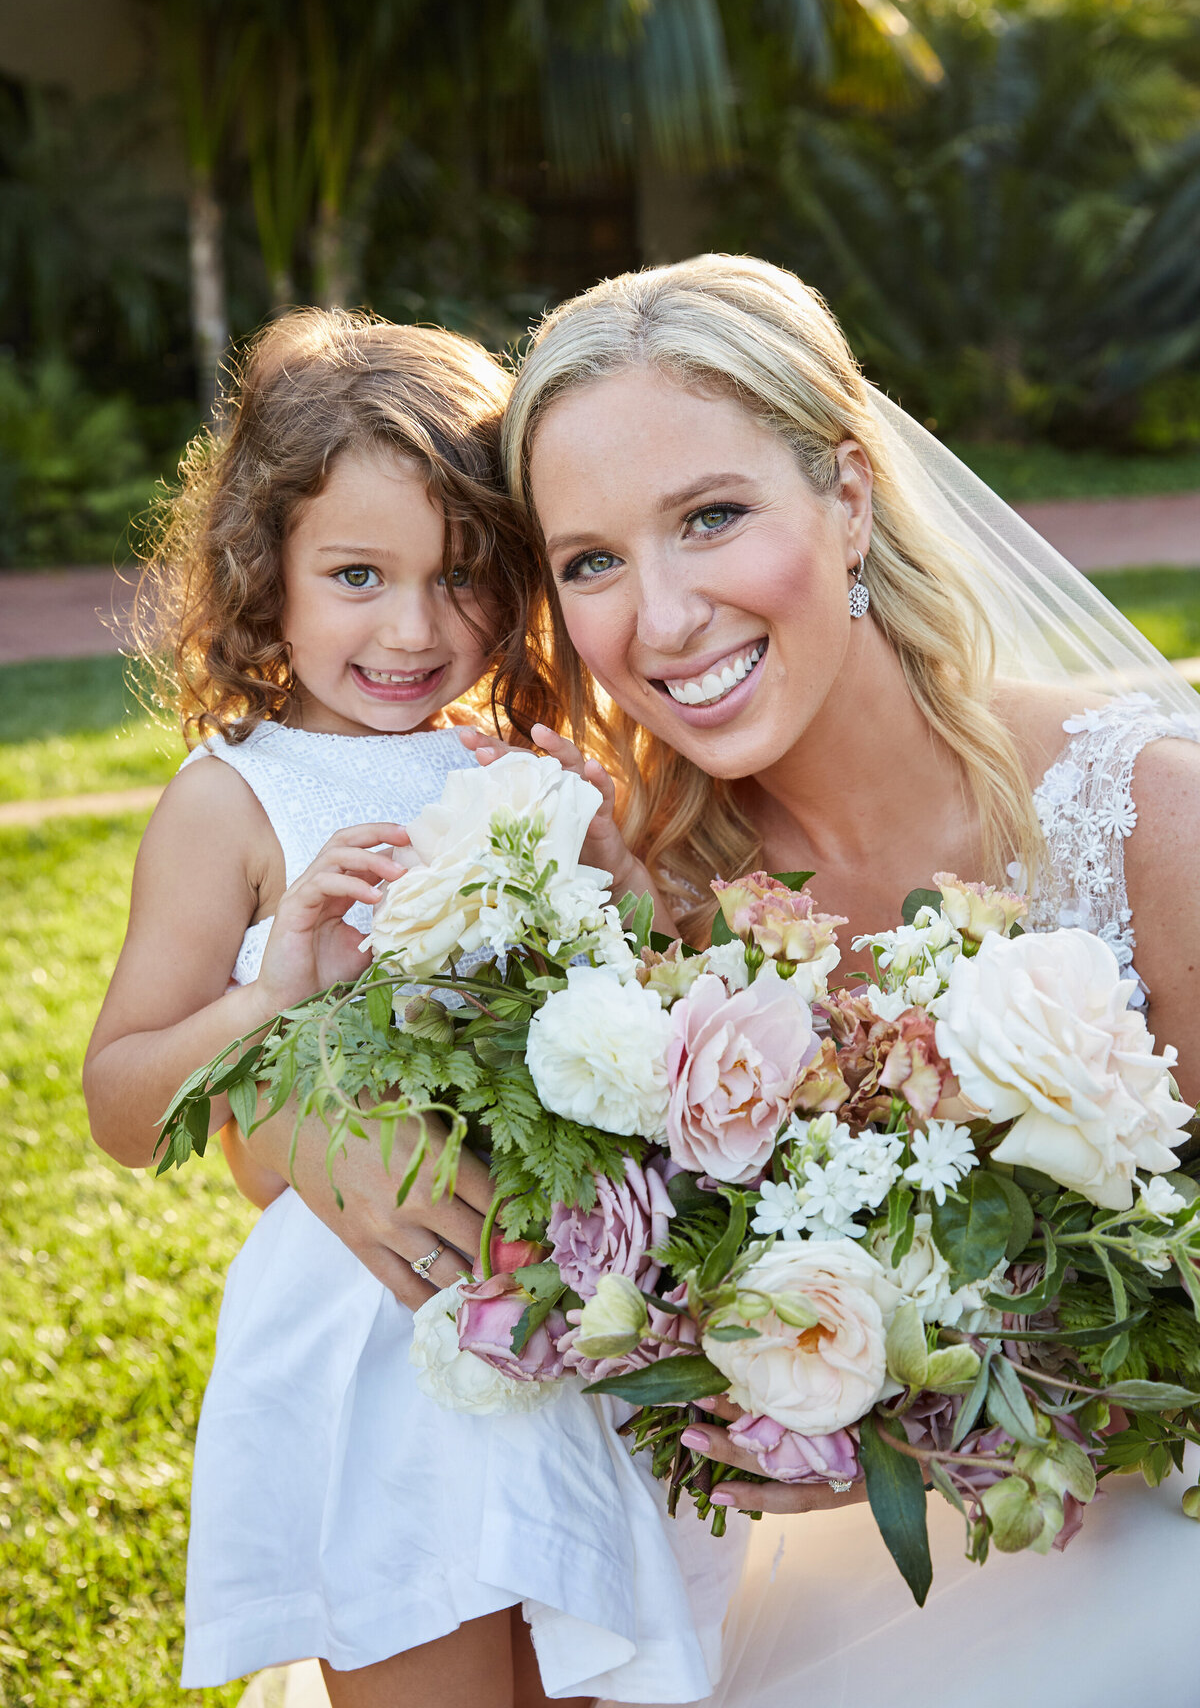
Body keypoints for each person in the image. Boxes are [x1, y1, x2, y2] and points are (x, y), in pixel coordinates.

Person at [497, 253, 1200, 1707]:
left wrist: (944, 1401)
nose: (666, 616)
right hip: (812, 1576)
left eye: (711, 518)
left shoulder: (1143, 816)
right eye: (592, 562)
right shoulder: (629, 898)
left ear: (853, 498)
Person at [83, 308, 743, 1708]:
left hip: (570, 1323)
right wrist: (269, 994)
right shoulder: (234, 802)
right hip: (372, 1344)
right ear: (266, 576)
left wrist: (625, 891)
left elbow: (648, 1011)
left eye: (460, 580)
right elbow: (124, 1105)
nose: (412, 629)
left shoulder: (531, 770)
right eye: (358, 575)